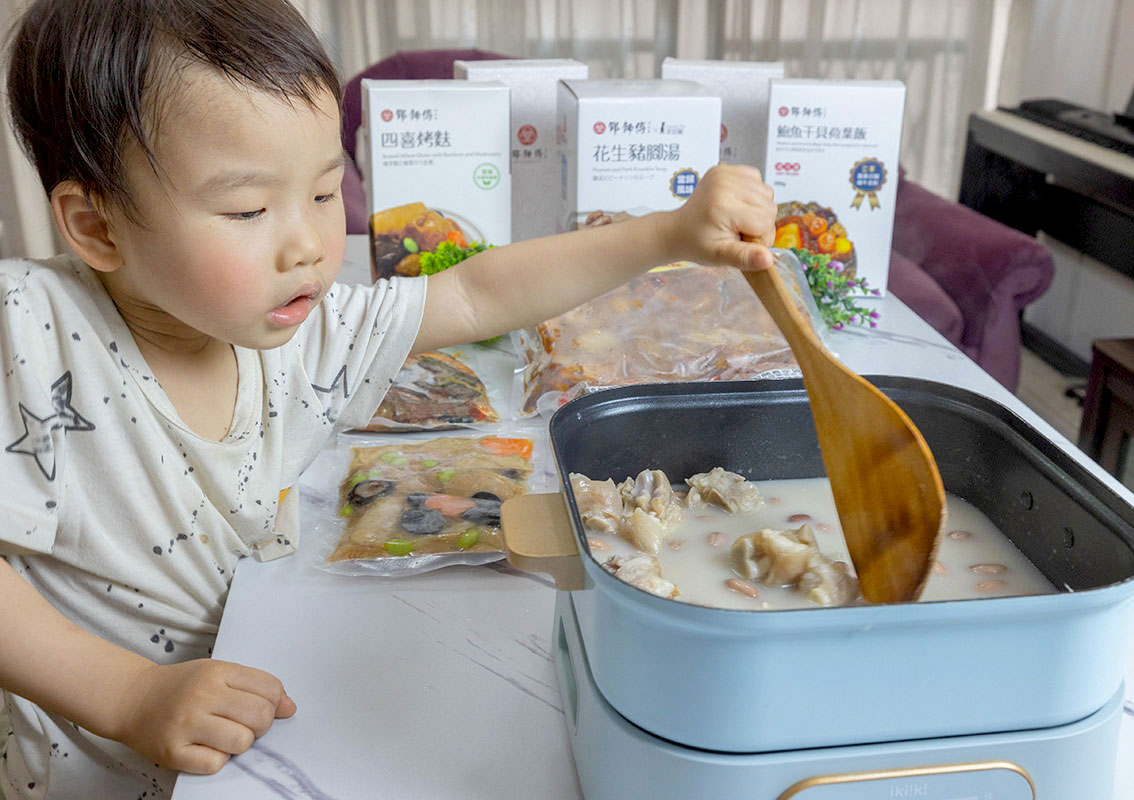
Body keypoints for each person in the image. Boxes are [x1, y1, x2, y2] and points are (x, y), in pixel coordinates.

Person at [0, 0, 775, 796]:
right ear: (97, 229)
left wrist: (666, 234)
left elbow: (473, 295)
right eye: (248, 210)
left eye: (326, 194)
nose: (307, 245)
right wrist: (127, 695)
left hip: (251, 739)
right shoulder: (27, 332)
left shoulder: (304, 329)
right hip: (92, 769)